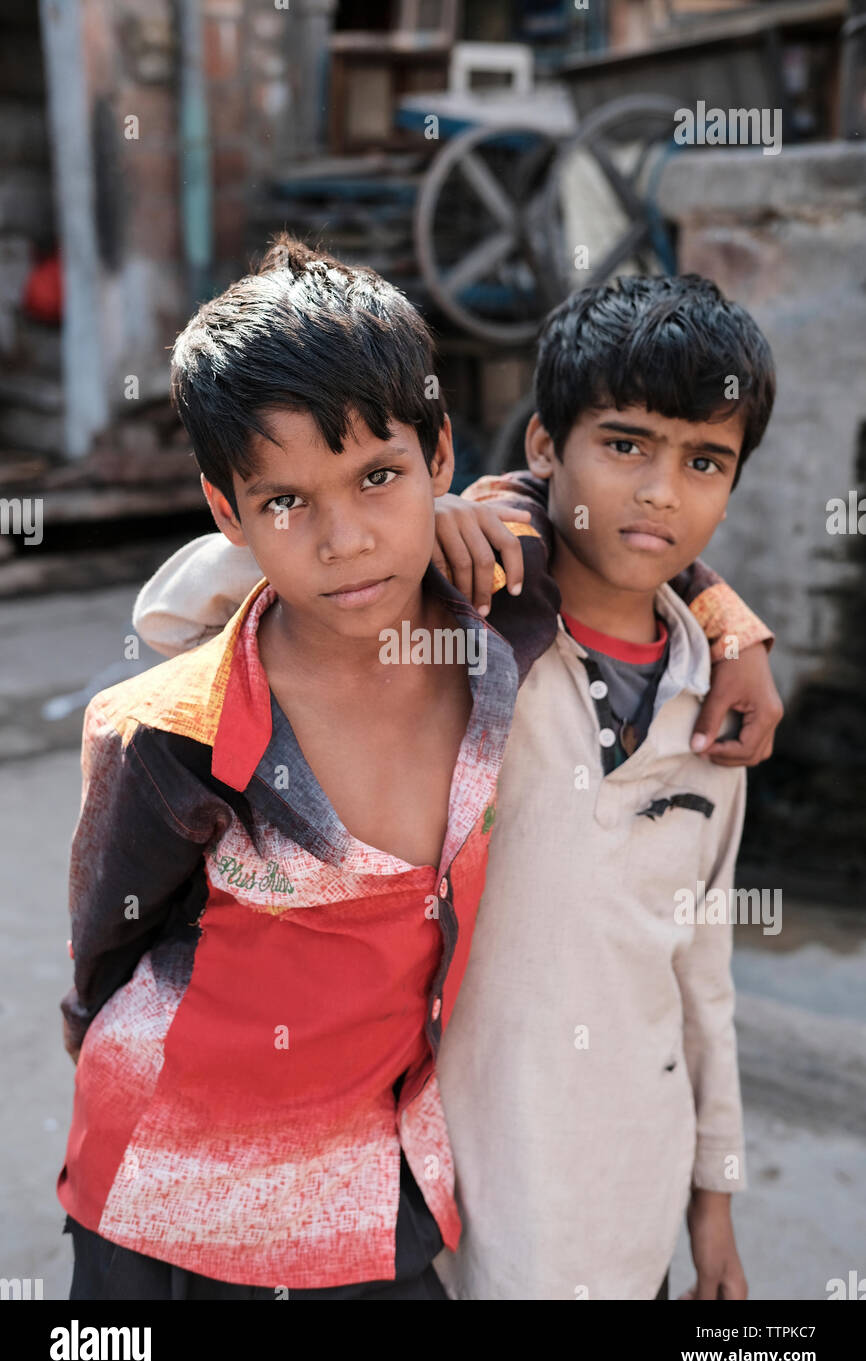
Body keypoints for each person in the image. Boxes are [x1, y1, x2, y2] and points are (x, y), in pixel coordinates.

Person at [124, 254, 784, 1299]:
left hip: (629, 1202)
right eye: (622, 446)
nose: (658, 489)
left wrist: (713, 1208)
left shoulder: (716, 703)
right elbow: (180, 614)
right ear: (539, 446)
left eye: (704, 462)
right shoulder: (456, 632)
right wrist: (411, 518)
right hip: (456, 1199)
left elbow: (702, 978)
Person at [57, 235, 557, 1300]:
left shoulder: (501, 616)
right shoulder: (173, 734)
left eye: (377, 476)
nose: (343, 539)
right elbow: (105, 955)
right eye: (284, 501)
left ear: (438, 456)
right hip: (163, 1193)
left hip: (372, 1190)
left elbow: (631, 527)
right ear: (227, 514)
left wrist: (728, 627)